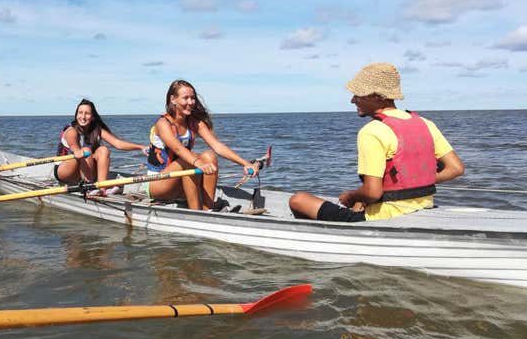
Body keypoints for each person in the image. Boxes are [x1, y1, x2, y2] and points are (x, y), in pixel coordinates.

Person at [289, 62, 464, 222]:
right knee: (362, 200)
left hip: (384, 217)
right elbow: (455, 169)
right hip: (422, 207)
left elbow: (373, 193)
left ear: (377, 97)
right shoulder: (426, 123)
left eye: (358, 94)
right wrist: (416, 180)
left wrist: (351, 197)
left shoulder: (371, 131)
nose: (353, 100)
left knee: (298, 200)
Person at [146, 79, 261, 210]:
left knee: (209, 156)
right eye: (186, 98)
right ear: (173, 99)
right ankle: (196, 212)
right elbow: (178, 150)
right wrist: (198, 163)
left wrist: (245, 163)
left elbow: (217, 146)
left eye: (192, 98)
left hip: (180, 184)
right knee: (190, 160)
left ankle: (208, 208)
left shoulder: (194, 123)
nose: (190, 102)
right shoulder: (163, 124)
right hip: (159, 184)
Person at [54, 99, 148, 195]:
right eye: (80, 113)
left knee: (103, 150)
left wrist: (141, 147)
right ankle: (89, 187)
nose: (83, 117)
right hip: (65, 172)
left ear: (92, 117)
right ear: (76, 115)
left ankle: (102, 188)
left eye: (87, 113)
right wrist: (77, 151)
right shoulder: (71, 131)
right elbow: (74, 146)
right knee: (86, 150)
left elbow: (118, 144)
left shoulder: (97, 130)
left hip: (85, 169)